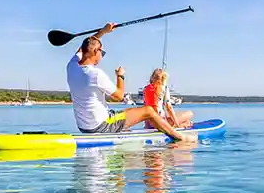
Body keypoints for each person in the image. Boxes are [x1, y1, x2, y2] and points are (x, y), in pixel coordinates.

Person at [67, 23, 196, 142]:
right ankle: (180, 137)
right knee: (148, 111)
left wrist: (103, 32)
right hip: (102, 126)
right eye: (102, 52)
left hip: (84, 127)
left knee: (127, 114)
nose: (102, 55)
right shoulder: (95, 74)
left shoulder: (71, 66)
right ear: (96, 52)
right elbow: (119, 96)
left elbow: (85, 47)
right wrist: (120, 76)